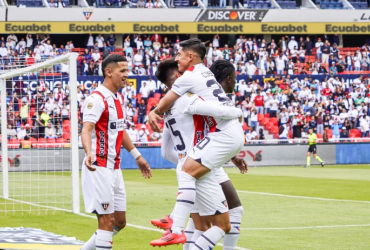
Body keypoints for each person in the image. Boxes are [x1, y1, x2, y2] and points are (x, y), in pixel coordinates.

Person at [148, 39, 247, 248]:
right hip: (203, 161)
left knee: (202, 224)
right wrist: (237, 112)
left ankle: (174, 220)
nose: (178, 59)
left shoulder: (168, 110)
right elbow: (217, 114)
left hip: (194, 161)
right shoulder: (188, 98)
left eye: (180, 55)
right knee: (221, 223)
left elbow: (166, 151)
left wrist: (188, 159)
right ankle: (175, 225)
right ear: (178, 77)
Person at [80, 55, 151, 250]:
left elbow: (120, 131)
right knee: (106, 221)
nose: (127, 75)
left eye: (127, 71)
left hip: (115, 167)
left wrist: (138, 156)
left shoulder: (117, 99)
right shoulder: (96, 99)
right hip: (98, 167)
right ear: (108, 72)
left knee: (119, 221)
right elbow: (86, 129)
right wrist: (88, 153)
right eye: (123, 71)